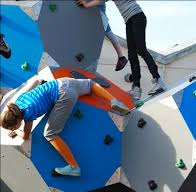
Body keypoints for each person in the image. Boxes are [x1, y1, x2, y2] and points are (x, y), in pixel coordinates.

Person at [0, 77, 130, 176]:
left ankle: (74, 167)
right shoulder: (19, 101)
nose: (13, 129)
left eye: (12, 127)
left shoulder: (28, 115)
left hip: (64, 96)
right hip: (62, 82)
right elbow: (36, 81)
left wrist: (16, 131)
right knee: (90, 84)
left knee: (49, 134)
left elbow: (26, 136)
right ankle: (114, 101)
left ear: (17, 121)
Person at [76, 0, 165, 100]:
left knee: (141, 49)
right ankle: (136, 88)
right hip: (129, 20)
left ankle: (159, 81)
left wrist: (87, 4)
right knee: (131, 54)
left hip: (137, 16)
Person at [97, 2, 128, 71]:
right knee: (110, 34)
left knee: (109, 34)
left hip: (99, 16)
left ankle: (121, 57)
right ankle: (121, 57)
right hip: (99, 16)